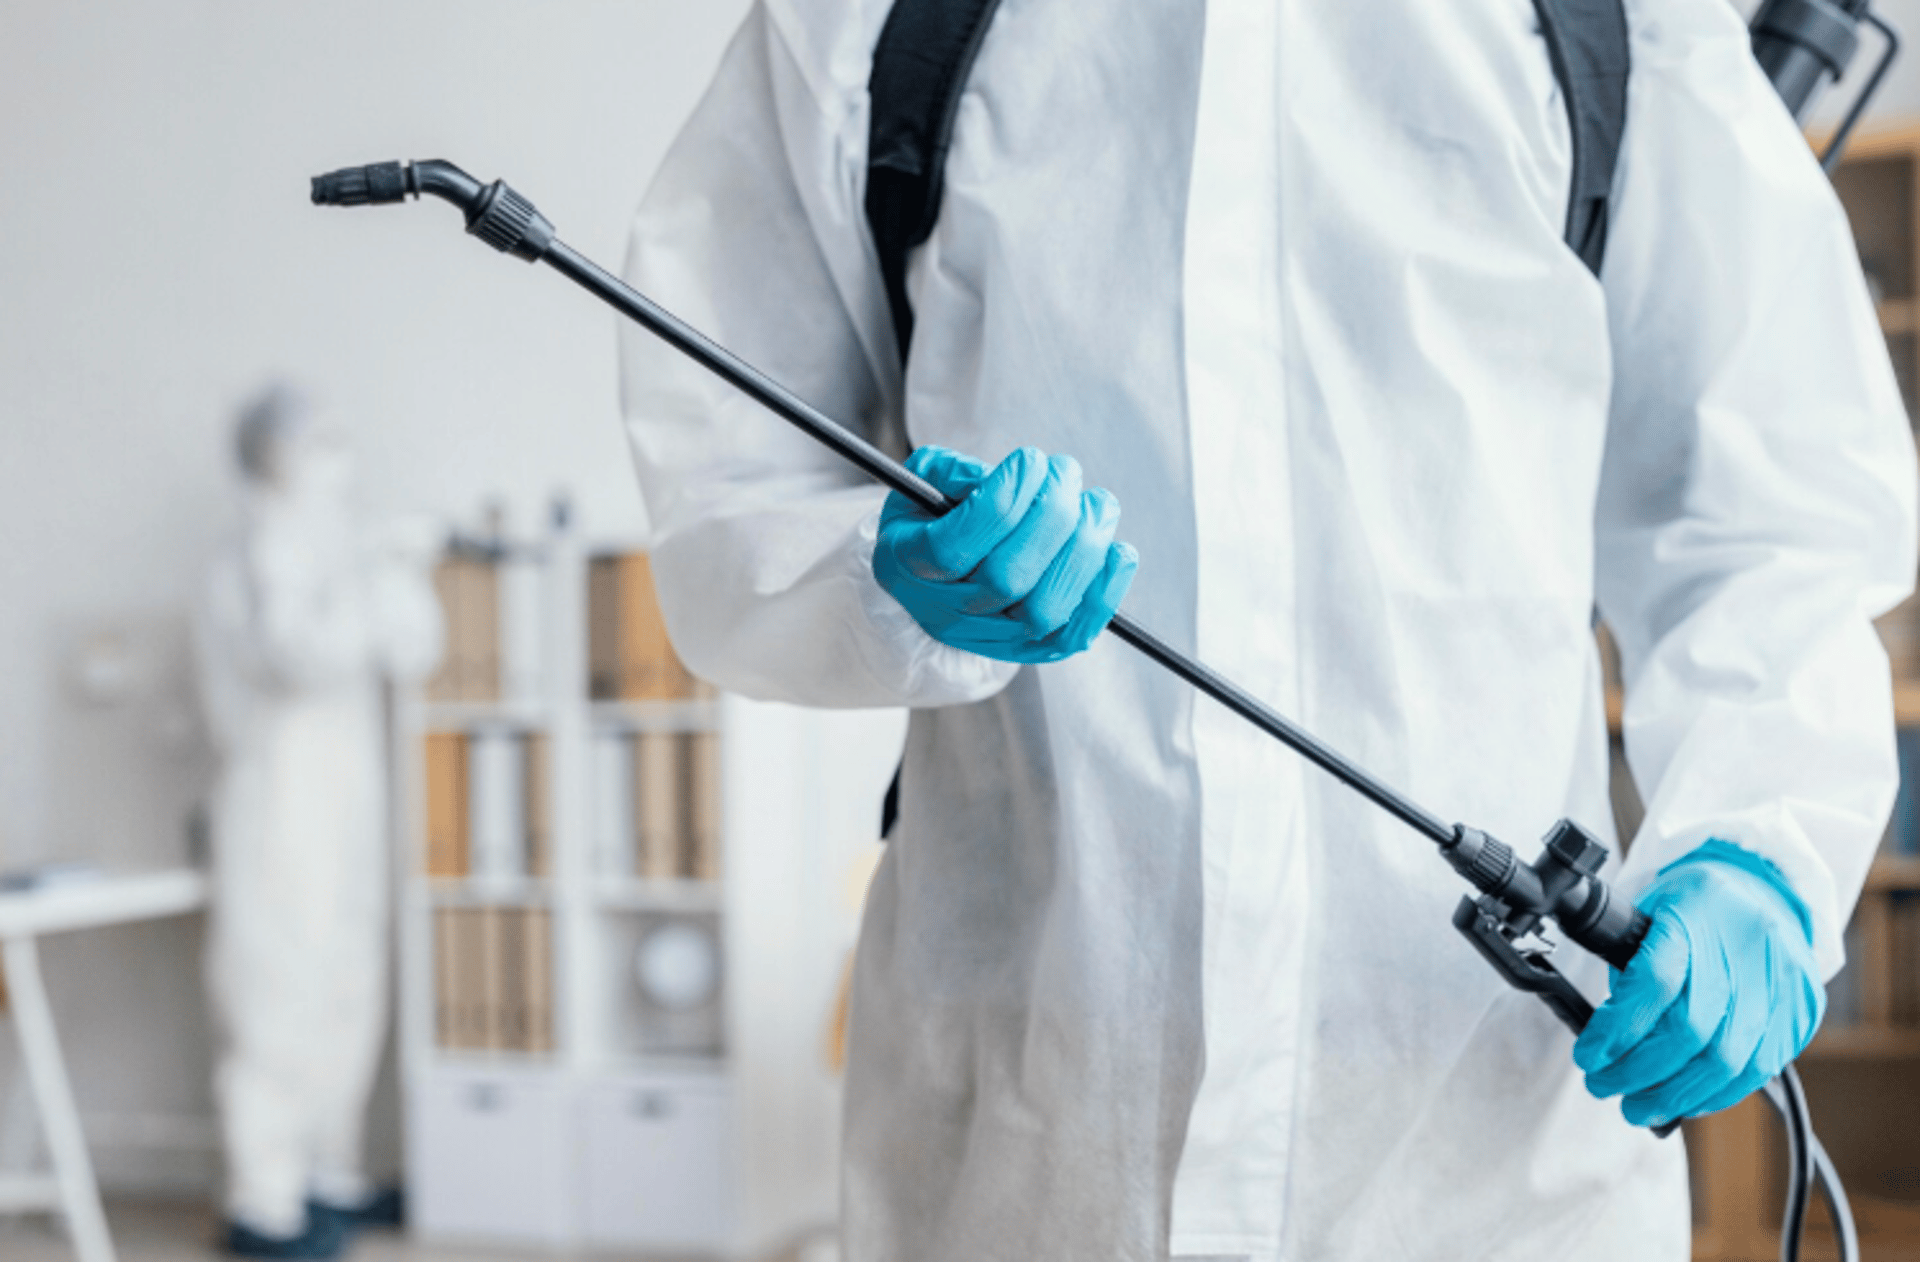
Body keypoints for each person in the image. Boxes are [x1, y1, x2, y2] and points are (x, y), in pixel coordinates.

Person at [618, 3, 1918, 1259]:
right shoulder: (862, 22)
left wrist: (1757, 848)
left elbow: (1770, 520)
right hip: (1025, 1162)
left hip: (1484, 1175)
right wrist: (886, 573)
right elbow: (730, 478)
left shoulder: (1623, 26)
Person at [195, 386, 442, 1259]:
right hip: (275, 794)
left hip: (347, 790)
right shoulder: (257, 544)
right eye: (317, 439)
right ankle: (263, 1199)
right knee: (276, 986)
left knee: (348, 974)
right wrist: (362, 572)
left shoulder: (339, 544)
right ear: (270, 452)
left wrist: (386, 568)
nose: (336, 455)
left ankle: (326, 1176)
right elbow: (298, 656)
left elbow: (417, 646)